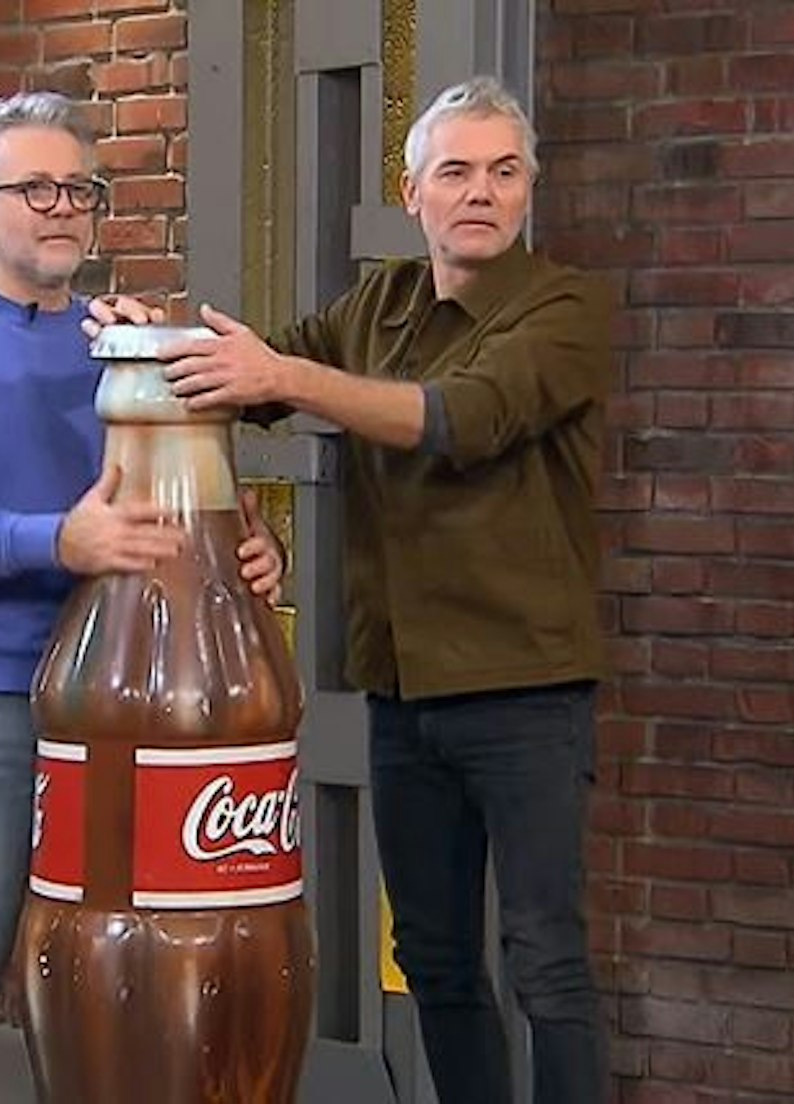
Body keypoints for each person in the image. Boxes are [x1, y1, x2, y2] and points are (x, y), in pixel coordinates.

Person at [97, 75, 613, 1103]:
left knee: (544, 962)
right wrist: (152, 337)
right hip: (401, 692)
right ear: (412, 190)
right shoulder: (380, 302)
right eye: (456, 171)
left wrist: (279, 380)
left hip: (526, 692)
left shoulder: (567, 310)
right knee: (433, 959)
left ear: (528, 193)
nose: (481, 193)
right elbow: (255, 371)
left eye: (504, 173)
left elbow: (455, 419)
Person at [0, 91, 283, 1104]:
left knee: (110, 960)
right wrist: (61, 539)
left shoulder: (127, 343)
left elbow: (180, 494)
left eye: (79, 190)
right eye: (34, 188)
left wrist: (248, 547)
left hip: (128, 695)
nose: (61, 208)